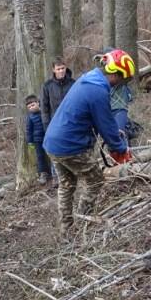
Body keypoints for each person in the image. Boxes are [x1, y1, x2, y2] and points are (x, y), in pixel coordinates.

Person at [43, 49, 135, 236]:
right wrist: (120, 148)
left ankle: (66, 229)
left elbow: (93, 117)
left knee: (67, 184)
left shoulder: (88, 79)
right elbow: (106, 126)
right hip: (69, 146)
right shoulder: (97, 91)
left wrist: (110, 132)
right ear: (116, 74)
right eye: (123, 79)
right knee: (95, 180)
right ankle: (84, 220)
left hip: (53, 142)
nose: (122, 83)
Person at [24, 94, 52, 184]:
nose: (31, 108)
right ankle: (43, 174)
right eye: (29, 107)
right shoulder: (30, 117)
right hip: (37, 140)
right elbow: (28, 130)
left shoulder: (45, 112)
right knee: (40, 157)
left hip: (48, 137)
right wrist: (30, 142)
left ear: (38, 103)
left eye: (33, 105)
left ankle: (55, 173)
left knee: (52, 155)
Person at [40, 58, 75, 129]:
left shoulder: (73, 83)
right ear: (54, 70)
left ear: (66, 67)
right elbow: (44, 107)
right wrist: (46, 125)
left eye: (63, 68)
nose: (61, 71)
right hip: (54, 122)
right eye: (58, 69)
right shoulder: (47, 86)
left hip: (71, 121)